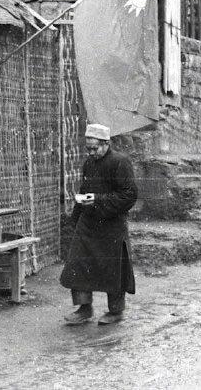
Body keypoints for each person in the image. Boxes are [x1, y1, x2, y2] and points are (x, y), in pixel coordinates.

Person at [60, 124, 138, 326]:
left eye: (95, 148)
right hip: (89, 223)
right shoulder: (89, 163)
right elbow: (85, 189)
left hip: (112, 224)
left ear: (106, 144)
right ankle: (84, 308)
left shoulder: (120, 162)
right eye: (88, 149)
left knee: (114, 268)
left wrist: (98, 200)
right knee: (78, 264)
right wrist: (76, 217)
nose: (91, 153)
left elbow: (129, 195)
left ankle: (116, 311)